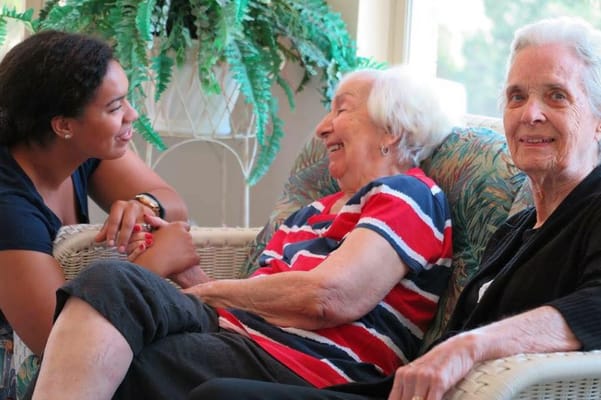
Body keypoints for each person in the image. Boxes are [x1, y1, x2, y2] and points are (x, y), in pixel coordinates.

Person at [181, 15, 601, 400]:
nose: (530, 113)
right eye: (516, 96)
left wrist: (470, 346)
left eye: (556, 96)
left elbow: (595, 307)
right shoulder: (517, 230)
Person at [25, 64, 458, 400]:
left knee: (123, 365)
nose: (322, 127)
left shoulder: (407, 195)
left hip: (307, 367)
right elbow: (258, 302)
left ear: (392, 130)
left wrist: (207, 294)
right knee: (111, 283)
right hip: (244, 339)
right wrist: (187, 271)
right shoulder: (313, 212)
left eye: (341, 110)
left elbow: (330, 297)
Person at [0, 29, 189, 364]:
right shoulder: (7, 206)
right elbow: (56, 340)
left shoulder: (83, 150)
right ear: (64, 125)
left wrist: (144, 205)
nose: (133, 115)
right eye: (115, 107)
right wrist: (155, 263)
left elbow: (172, 202)